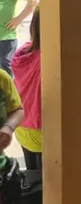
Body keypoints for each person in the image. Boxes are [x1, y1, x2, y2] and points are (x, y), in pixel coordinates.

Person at [12, 9, 42, 170]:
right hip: (42, 130)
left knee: (32, 174)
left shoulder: (22, 53)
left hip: (21, 126)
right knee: (49, 178)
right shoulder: (52, 59)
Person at [0, 0, 38, 76]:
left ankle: (9, 89)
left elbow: (33, 1)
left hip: (6, 34)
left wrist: (18, 20)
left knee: (5, 67)